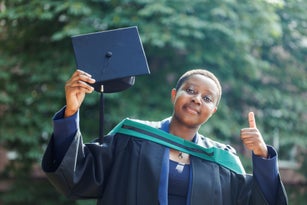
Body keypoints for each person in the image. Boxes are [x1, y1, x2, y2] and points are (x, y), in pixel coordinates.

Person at [42, 69, 288, 205]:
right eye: (190, 91)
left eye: (207, 98)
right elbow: (76, 174)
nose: (196, 99)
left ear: (213, 111)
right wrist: (72, 112)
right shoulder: (132, 137)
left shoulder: (221, 161)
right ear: (174, 95)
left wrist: (263, 158)